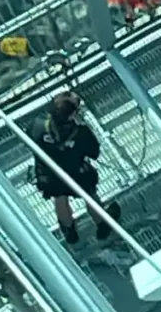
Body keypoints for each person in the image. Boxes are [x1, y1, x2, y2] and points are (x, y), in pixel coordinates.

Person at [30, 91, 120, 244]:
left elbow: (31, 142)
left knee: (59, 196)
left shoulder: (38, 124)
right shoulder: (78, 131)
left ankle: (69, 231)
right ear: (72, 114)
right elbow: (94, 152)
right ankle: (101, 224)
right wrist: (82, 129)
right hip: (76, 171)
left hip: (48, 172)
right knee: (89, 195)